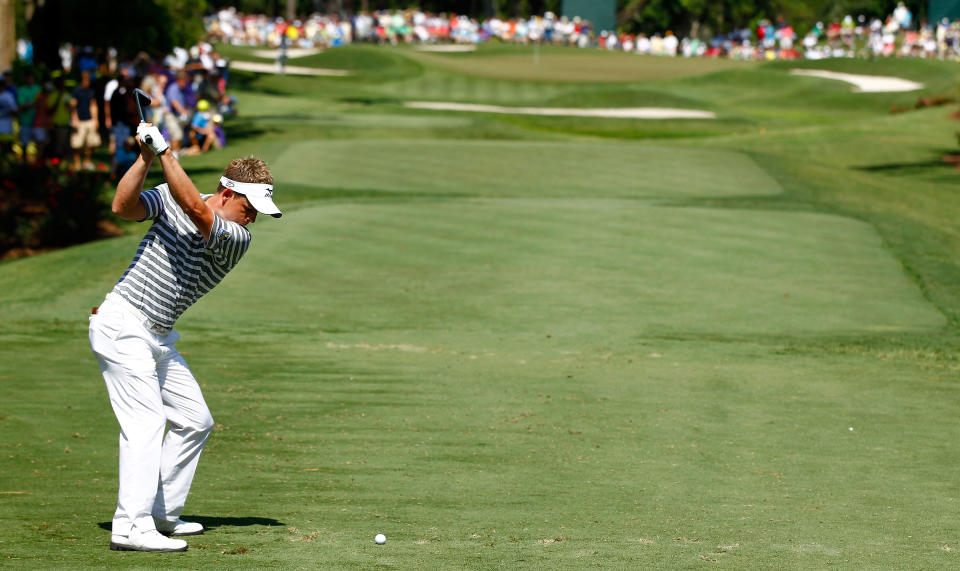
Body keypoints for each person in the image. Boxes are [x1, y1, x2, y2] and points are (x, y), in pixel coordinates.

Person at [88, 121, 281, 552]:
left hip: (157, 335)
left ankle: (159, 513)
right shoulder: (174, 198)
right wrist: (146, 158)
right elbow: (124, 207)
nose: (253, 218)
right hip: (124, 324)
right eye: (250, 206)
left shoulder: (236, 237)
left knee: (195, 420)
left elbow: (196, 209)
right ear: (228, 192)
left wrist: (167, 151)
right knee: (147, 423)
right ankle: (132, 526)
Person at [71, 70, 101, 169]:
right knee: (77, 144)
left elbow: (93, 105)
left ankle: (87, 162)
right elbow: (73, 106)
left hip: (89, 120)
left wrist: (95, 119)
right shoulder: (76, 91)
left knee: (91, 143)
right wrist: (74, 119)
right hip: (79, 120)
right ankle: (77, 162)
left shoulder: (91, 92)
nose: (87, 82)